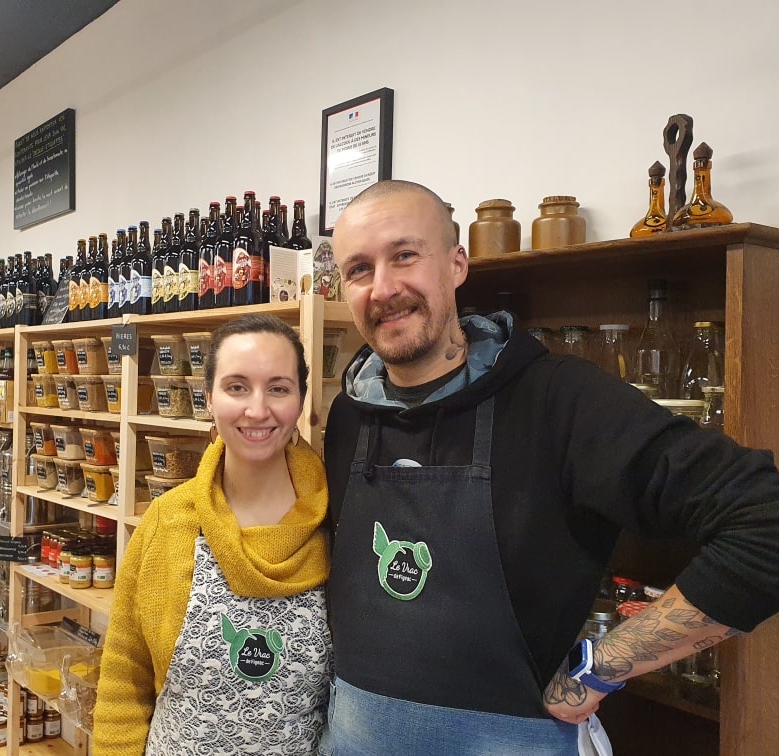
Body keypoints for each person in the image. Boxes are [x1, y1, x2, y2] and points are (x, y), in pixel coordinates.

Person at [322, 179, 779, 753]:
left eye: (405, 255)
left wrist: (605, 665)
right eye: (359, 270)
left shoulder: (558, 402)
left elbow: (765, 521)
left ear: (457, 263)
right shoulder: (347, 417)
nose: (383, 288)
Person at [92, 313, 332, 755]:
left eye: (278, 388)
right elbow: (125, 679)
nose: (257, 409)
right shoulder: (167, 522)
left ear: (300, 402)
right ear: (208, 399)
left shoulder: (335, 524)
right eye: (236, 387)